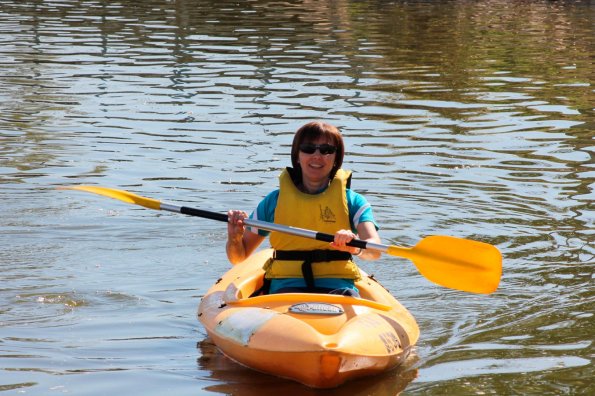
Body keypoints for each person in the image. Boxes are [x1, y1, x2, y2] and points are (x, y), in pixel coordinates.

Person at [226, 121, 381, 296]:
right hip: (285, 290)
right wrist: (235, 238)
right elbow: (238, 257)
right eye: (308, 148)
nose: (317, 155)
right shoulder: (274, 201)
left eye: (326, 150)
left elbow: (375, 250)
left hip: (339, 289)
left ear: (336, 158)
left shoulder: (354, 201)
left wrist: (354, 246)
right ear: (297, 156)